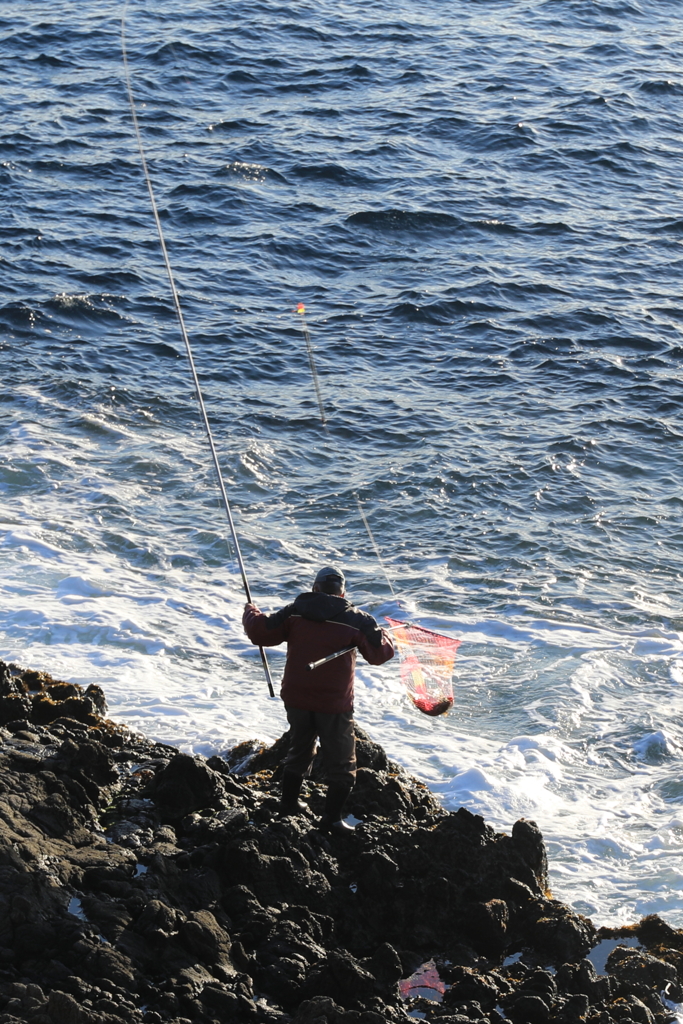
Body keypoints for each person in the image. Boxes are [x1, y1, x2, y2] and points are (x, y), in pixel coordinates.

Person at [242, 566, 394, 832]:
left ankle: (288, 804)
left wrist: (251, 611)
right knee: (342, 762)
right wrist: (387, 636)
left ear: (315, 589)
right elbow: (380, 654)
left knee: (299, 748)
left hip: (296, 697)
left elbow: (261, 632)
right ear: (343, 592)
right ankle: (332, 819)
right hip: (333, 705)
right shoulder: (358, 620)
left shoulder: (295, 610)